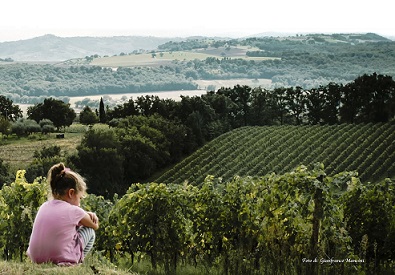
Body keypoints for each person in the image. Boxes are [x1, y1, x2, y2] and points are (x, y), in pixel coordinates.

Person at [27, 163, 99, 265]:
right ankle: (75, 263)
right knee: (90, 231)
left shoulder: (44, 206)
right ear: (71, 193)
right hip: (60, 260)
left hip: (36, 259)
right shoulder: (75, 211)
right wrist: (91, 215)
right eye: (79, 198)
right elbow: (94, 225)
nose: (79, 203)